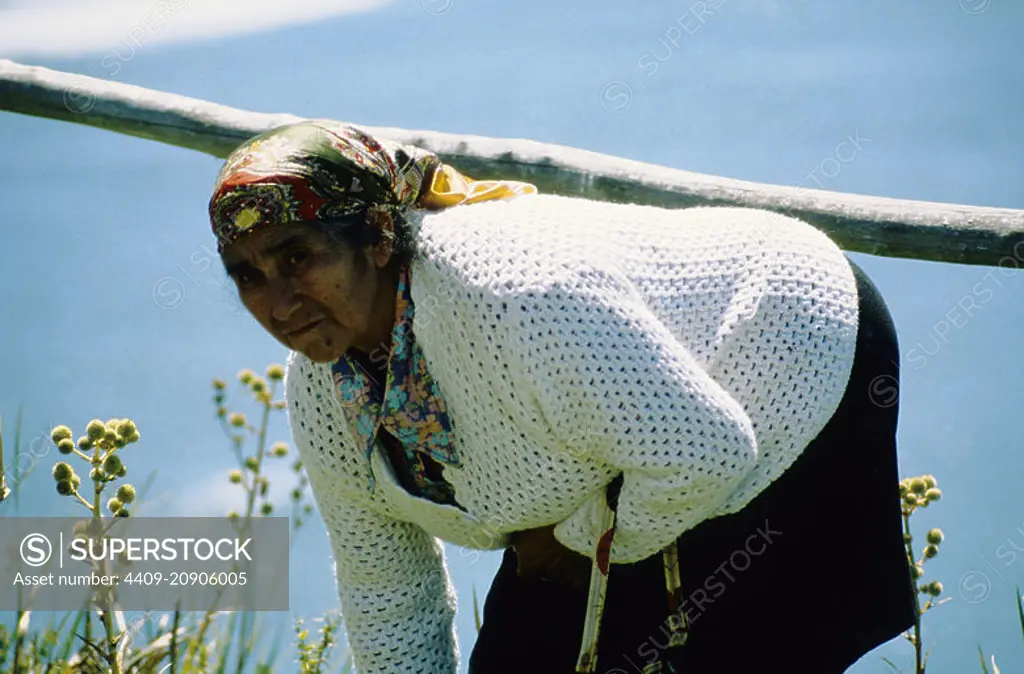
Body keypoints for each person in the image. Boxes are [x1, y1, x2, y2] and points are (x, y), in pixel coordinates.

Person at [208, 119, 916, 673]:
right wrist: (567, 540)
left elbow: (704, 451)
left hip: (781, 344)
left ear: (379, 238)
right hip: (627, 442)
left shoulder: (515, 296)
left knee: (736, 650)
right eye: (246, 275)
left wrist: (575, 542)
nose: (277, 302)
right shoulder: (325, 391)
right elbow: (385, 589)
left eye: (297, 257)